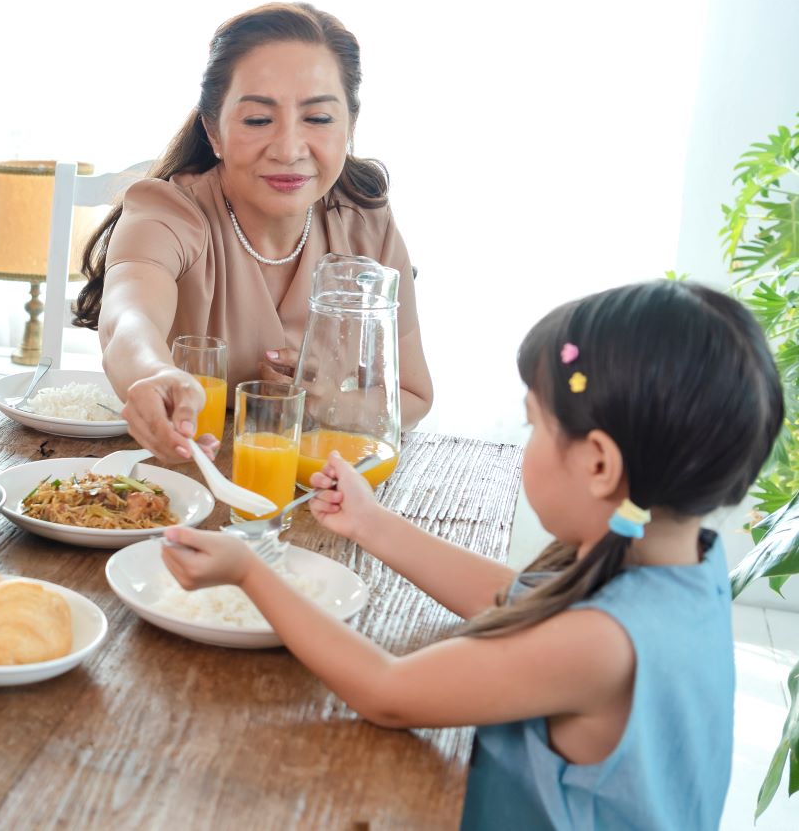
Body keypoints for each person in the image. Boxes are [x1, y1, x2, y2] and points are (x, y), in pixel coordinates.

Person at [160, 280, 776, 829]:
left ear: (597, 464)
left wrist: (250, 571)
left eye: (535, 426)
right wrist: (370, 523)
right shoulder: (683, 565)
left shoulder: (602, 645)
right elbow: (516, 601)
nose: (528, 440)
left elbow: (388, 691)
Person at [75, 3, 433, 462]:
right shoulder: (168, 212)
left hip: (321, 494)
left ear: (349, 127)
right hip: (178, 479)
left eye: (319, 119)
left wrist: (321, 400)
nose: (288, 149)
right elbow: (128, 320)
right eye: (258, 120)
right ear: (214, 131)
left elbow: (413, 395)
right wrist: (150, 374)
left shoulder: (366, 223)